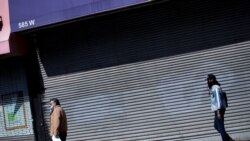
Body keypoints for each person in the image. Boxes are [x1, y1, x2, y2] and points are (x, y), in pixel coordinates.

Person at [207, 74, 234, 141]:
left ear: (211, 80)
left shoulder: (215, 88)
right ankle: (228, 139)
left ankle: (227, 140)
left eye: (208, 80)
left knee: (221, 128)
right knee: (216, 126)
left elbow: (218, 100)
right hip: (218, 109)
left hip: (218, 110)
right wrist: (210, 93)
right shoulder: (214, 87)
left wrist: (218, 111)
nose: (207, 81)